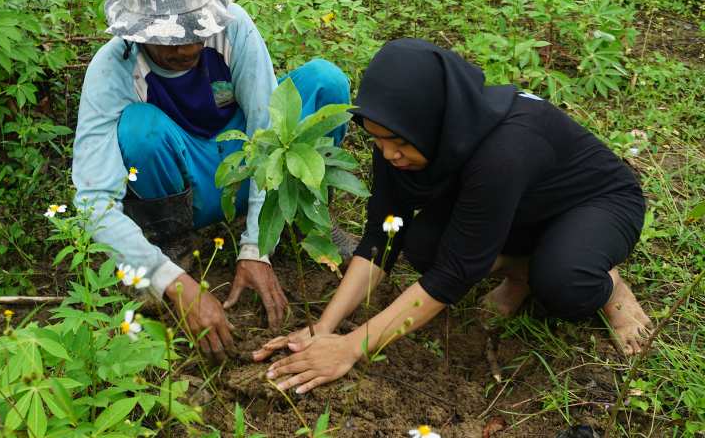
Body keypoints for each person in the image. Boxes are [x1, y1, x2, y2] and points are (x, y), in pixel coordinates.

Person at [253, 38, 651, 393]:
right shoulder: (402, 133)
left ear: (434, 120)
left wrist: (350, 347)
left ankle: (608, 286)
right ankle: (524, 270)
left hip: (595, 204)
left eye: (398, 143)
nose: (388, 154)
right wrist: (324, 328)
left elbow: (453, 275)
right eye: (377, 140)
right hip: (514, 209)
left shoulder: (504, 149)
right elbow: (380, 237)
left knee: (564, 283)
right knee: (422, 244)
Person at [72, 0, 352, 360]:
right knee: (139, 129)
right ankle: (175, 246)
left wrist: (257, 247)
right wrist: (168, 280)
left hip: (247, 162)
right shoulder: (112, 69)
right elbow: (93, 200)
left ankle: (298, 216)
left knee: (325, 82)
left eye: (194, 33)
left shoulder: (234, 28)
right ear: (136, 31)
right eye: (167, 39)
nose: (185, 47)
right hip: (189, 183)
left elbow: (266, 130)